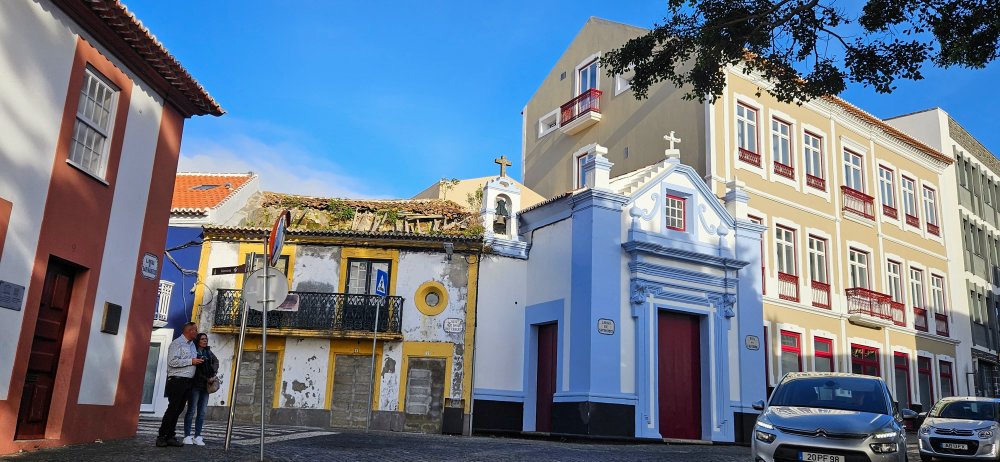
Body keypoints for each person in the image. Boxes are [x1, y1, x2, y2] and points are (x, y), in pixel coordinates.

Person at [156, 322, 204, 447]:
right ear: (189, 331)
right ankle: (161, 436)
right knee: (173, 408)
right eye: (195, 330)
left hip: (188, 381)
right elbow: (172, 362)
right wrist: (191, 361)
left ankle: (170, 436)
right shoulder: (177, 343)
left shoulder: (192, 345)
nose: (197, 333)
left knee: (179, 409)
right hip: (177, 380)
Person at [183, 333, 219, 446]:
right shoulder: (193, 351)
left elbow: (216, 361)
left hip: (206, 387)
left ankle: (198, 436)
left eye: (206, 339)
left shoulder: (208, 351)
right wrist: (206, 378)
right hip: (195, 385)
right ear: (198, 340)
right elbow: (195, 370)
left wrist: (213, 373)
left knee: (202, 412)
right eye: (203, 339)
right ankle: (187, 436)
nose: (205, 341)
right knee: (191, 411)